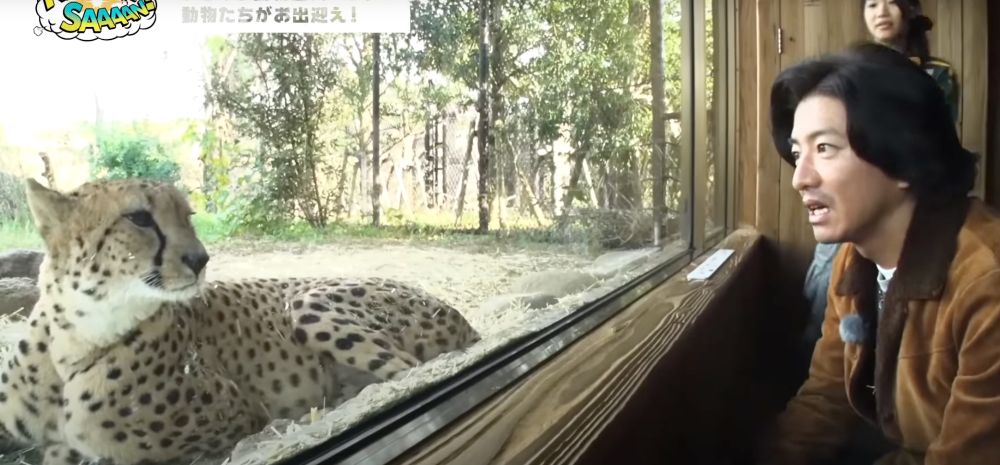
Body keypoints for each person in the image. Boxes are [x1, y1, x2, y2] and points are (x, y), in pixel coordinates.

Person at [757, 42, 1000, 465]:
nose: (800, 177)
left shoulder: (987, 281)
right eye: (797, 153)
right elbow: (826, 397)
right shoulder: (852, 264)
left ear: (903, 157)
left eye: (825, 148)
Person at [799, 0, 961, 371]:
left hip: (913, 195)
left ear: (910, 10)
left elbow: (932, 142)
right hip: (849, 204)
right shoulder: (845, 74)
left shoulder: (935, 75)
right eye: (871, 3)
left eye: (891, 2)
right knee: (823, 281)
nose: (881, 11)